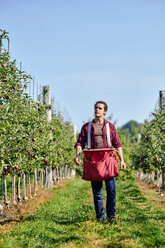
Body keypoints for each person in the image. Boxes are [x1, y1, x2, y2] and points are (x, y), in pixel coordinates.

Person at [75, 101, 126, 223]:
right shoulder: (86, 127)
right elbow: (80, 143)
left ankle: (111, 216)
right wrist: (77, 155)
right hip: (94, 162)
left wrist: (122, 160)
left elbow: (117, 144)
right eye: (96, 108)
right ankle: (100, 217)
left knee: (111, 189)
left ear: (105, 111)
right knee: (97, 192)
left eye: (100, 108)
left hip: (108, 160)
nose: (97, 110)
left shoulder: (110, 126)